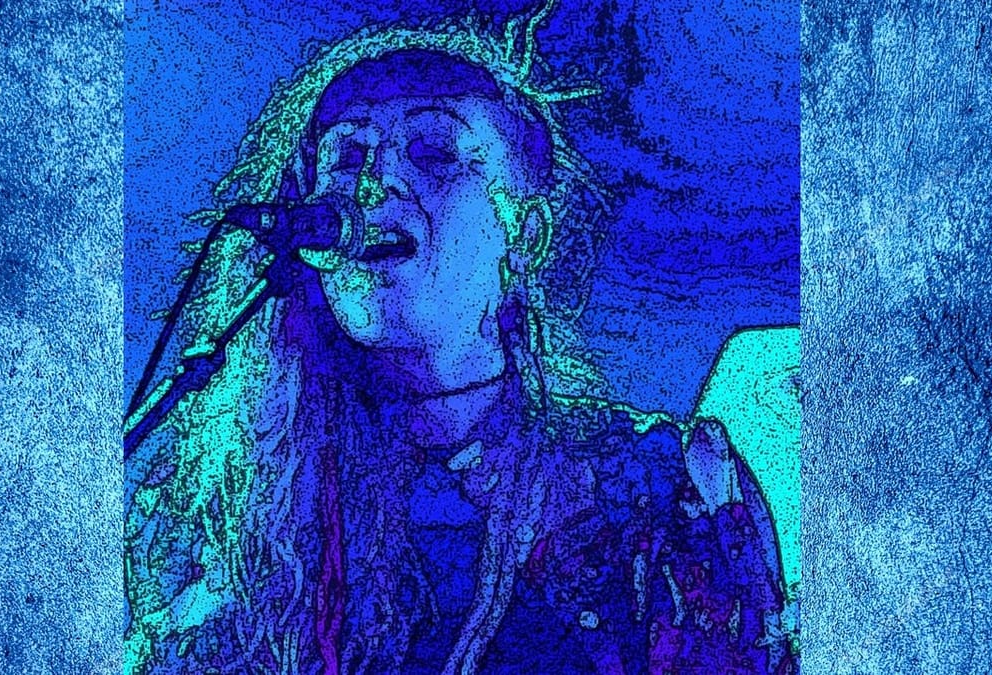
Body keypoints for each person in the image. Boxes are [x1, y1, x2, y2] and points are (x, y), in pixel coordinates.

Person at [126, 10, 794, 674]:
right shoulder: (232, 514)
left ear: (524, 235)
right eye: (347, 157)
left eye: (435, 154)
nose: (373, 186)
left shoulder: (654, 482)